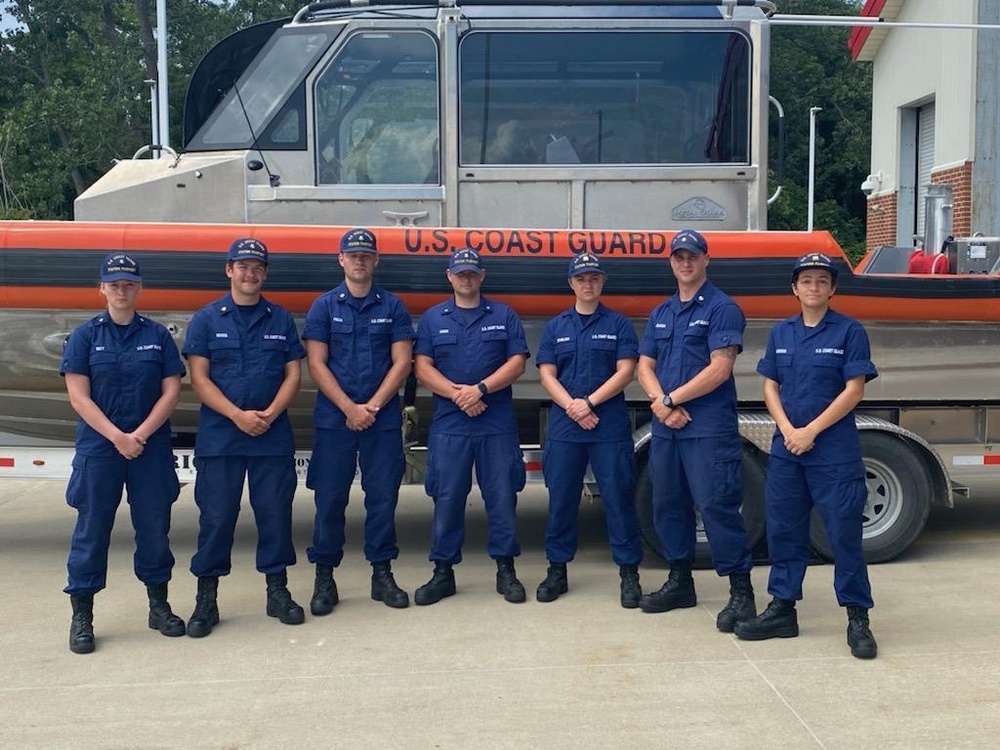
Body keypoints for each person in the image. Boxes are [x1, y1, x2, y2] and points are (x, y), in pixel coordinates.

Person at [735, 252, 879, 659]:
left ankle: (857, 617)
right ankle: (783, 609)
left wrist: (811, 431)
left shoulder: (849, 332)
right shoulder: (782, 333)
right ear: (794, 288)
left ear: (832, 289)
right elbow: (770, 388)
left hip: (833, 451)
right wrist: (787, 430)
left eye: (821, 280)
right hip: (787, 450)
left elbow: (854, 390)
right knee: (783, 530)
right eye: (806, 280)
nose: (813, 287)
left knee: (844, 535)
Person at [60, 252, 186, 654]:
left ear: (139, 288)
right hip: (100, 448)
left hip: (148, 447)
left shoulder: (158, 335)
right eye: (114, 284)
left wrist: (140, 435)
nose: (122, 290)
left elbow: (172, 390)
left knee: (154, 529)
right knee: (91, 532)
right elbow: (79, 398)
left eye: (129, 284)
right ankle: (82, 616)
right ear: (102, 288)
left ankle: (158, 607)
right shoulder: (84, 337)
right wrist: (118, 437)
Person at [182, 238, 306, 636]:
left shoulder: (280, 319)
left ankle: (277, 592)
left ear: (264, 274)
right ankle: (206, 599)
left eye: (257, 267)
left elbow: (293, 375)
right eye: (243, 266)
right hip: (222, 436)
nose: (249, 273)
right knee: (217, 519)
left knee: (275, 515)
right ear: (229, 270)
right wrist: (237, 415)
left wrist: (270, 413)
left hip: (271, 434)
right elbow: (198, 377)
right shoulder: (207, 319)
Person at [636, 228, 756, 631]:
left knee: (717, 506)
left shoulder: (723, 308)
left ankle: (741, 593)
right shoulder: (662, 312)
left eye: (693, 256)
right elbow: (645, 365)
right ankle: (680, 581)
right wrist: (661, 403)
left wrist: (672, 400)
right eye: (678, 257)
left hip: (707, 428)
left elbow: (720, 368)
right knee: (667, 505)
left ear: (707, 260)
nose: (685, 263)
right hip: (668, 427)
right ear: (670, 262)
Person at [302, 228, 414, 612]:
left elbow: (402, 362)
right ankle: (324, 579)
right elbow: (316, 363)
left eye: (366, 254)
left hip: (380, 421)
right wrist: (349, 408)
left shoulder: (393, 307)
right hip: (336, 421)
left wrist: (372, 407)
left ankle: (381, 575)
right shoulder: (324, 307)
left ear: (376, 260)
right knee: (330, 500)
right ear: (341, 260)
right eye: (353, 254)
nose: (360, 260)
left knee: (382, 498)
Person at [412, 248, 530, 605]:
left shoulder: (503, 315)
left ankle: (506, 570)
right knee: (446, 497)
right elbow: (422, 366)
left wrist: (480, 389)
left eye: (472, 273)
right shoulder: (434, 319)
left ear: (481, 276)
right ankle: (443, 571)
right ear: (449, 277)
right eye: (459, 273)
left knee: (501, 497)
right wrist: (457, 395)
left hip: (495, 421)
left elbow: (517, 362)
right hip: (450, 422)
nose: (466, 278)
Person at [535, 253, 643, 606]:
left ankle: (629, 574)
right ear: (571, 283)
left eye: (594, 278)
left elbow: (626, 371)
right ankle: (557, 571)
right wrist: (573, 406)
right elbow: (546, 374)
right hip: (567, 424)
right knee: (561, 499)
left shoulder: (618, 324)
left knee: (618, 498)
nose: (587, 284)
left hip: (606, 423)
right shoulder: (556, 327)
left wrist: (590, 403)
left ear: (602, 283)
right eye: (581, 278)